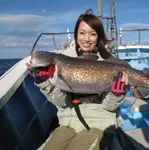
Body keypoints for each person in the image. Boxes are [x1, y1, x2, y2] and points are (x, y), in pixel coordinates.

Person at [26, 10, 132, 150]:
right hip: (68, 123)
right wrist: (43, 81)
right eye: (82, 33)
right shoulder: (63, 59)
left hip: (99, 123)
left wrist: (116, 94)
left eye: (92, 34)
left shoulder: (110, 62)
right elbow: (61, 102)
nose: (87, 39)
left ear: (98, 36)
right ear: (76, 34)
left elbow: (109, 107)